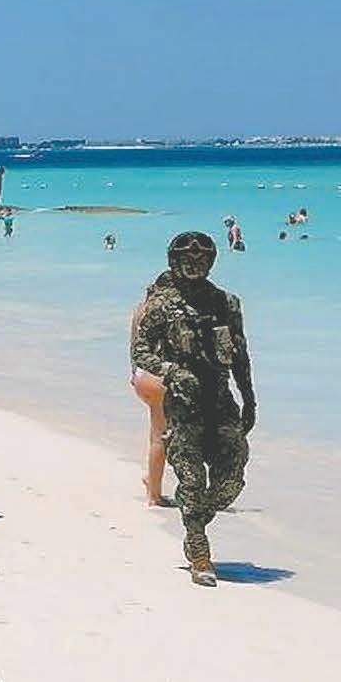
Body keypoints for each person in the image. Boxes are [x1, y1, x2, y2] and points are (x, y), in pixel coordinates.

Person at [131, 232, 256, 587]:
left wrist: (249, 398)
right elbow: (141, 352)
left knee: (231, 478)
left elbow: (241, 354)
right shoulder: (161, 306)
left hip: (221, 400)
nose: (194, 265)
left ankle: (196, 513)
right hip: (183, 404)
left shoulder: (226, 303)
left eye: (201, 260)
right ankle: (198, 548)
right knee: (191, 478)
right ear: (174, 261)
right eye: (187, 259)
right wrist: (172, 371)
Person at [129, 294, 169, 507]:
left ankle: (151, 479)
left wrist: (134, 374)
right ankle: (154, 495)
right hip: (158, 379)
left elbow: (135, 348)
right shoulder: (167, 310)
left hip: (141, 376)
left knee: (156, 434)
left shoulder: (140, 309)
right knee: (160, 438)